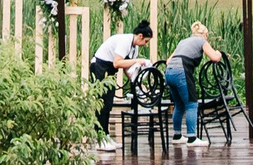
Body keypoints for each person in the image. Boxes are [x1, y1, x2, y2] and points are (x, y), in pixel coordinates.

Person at [88, 19, 153, 148]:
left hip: (109, 70)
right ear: (140, 36)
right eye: (145, 41)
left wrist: (139, 84)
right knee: (102, 103)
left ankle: (105, 135)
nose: (145, 44)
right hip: (100, 66)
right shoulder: (125, 41)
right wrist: (139, 61)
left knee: (109, 103)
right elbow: (117, 63)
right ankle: (100, 139)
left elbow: (127, 68)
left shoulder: (134, 48)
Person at [164, 20, 225, 146]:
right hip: (182, 71)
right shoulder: (202, 41)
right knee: (191, 104)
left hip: (169, 72)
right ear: (204, 34)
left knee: (179, 104)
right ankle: (192, 138)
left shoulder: (183, 41)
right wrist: (219, 53)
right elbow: (214, 57)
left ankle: (177, 135)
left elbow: (168, 61)